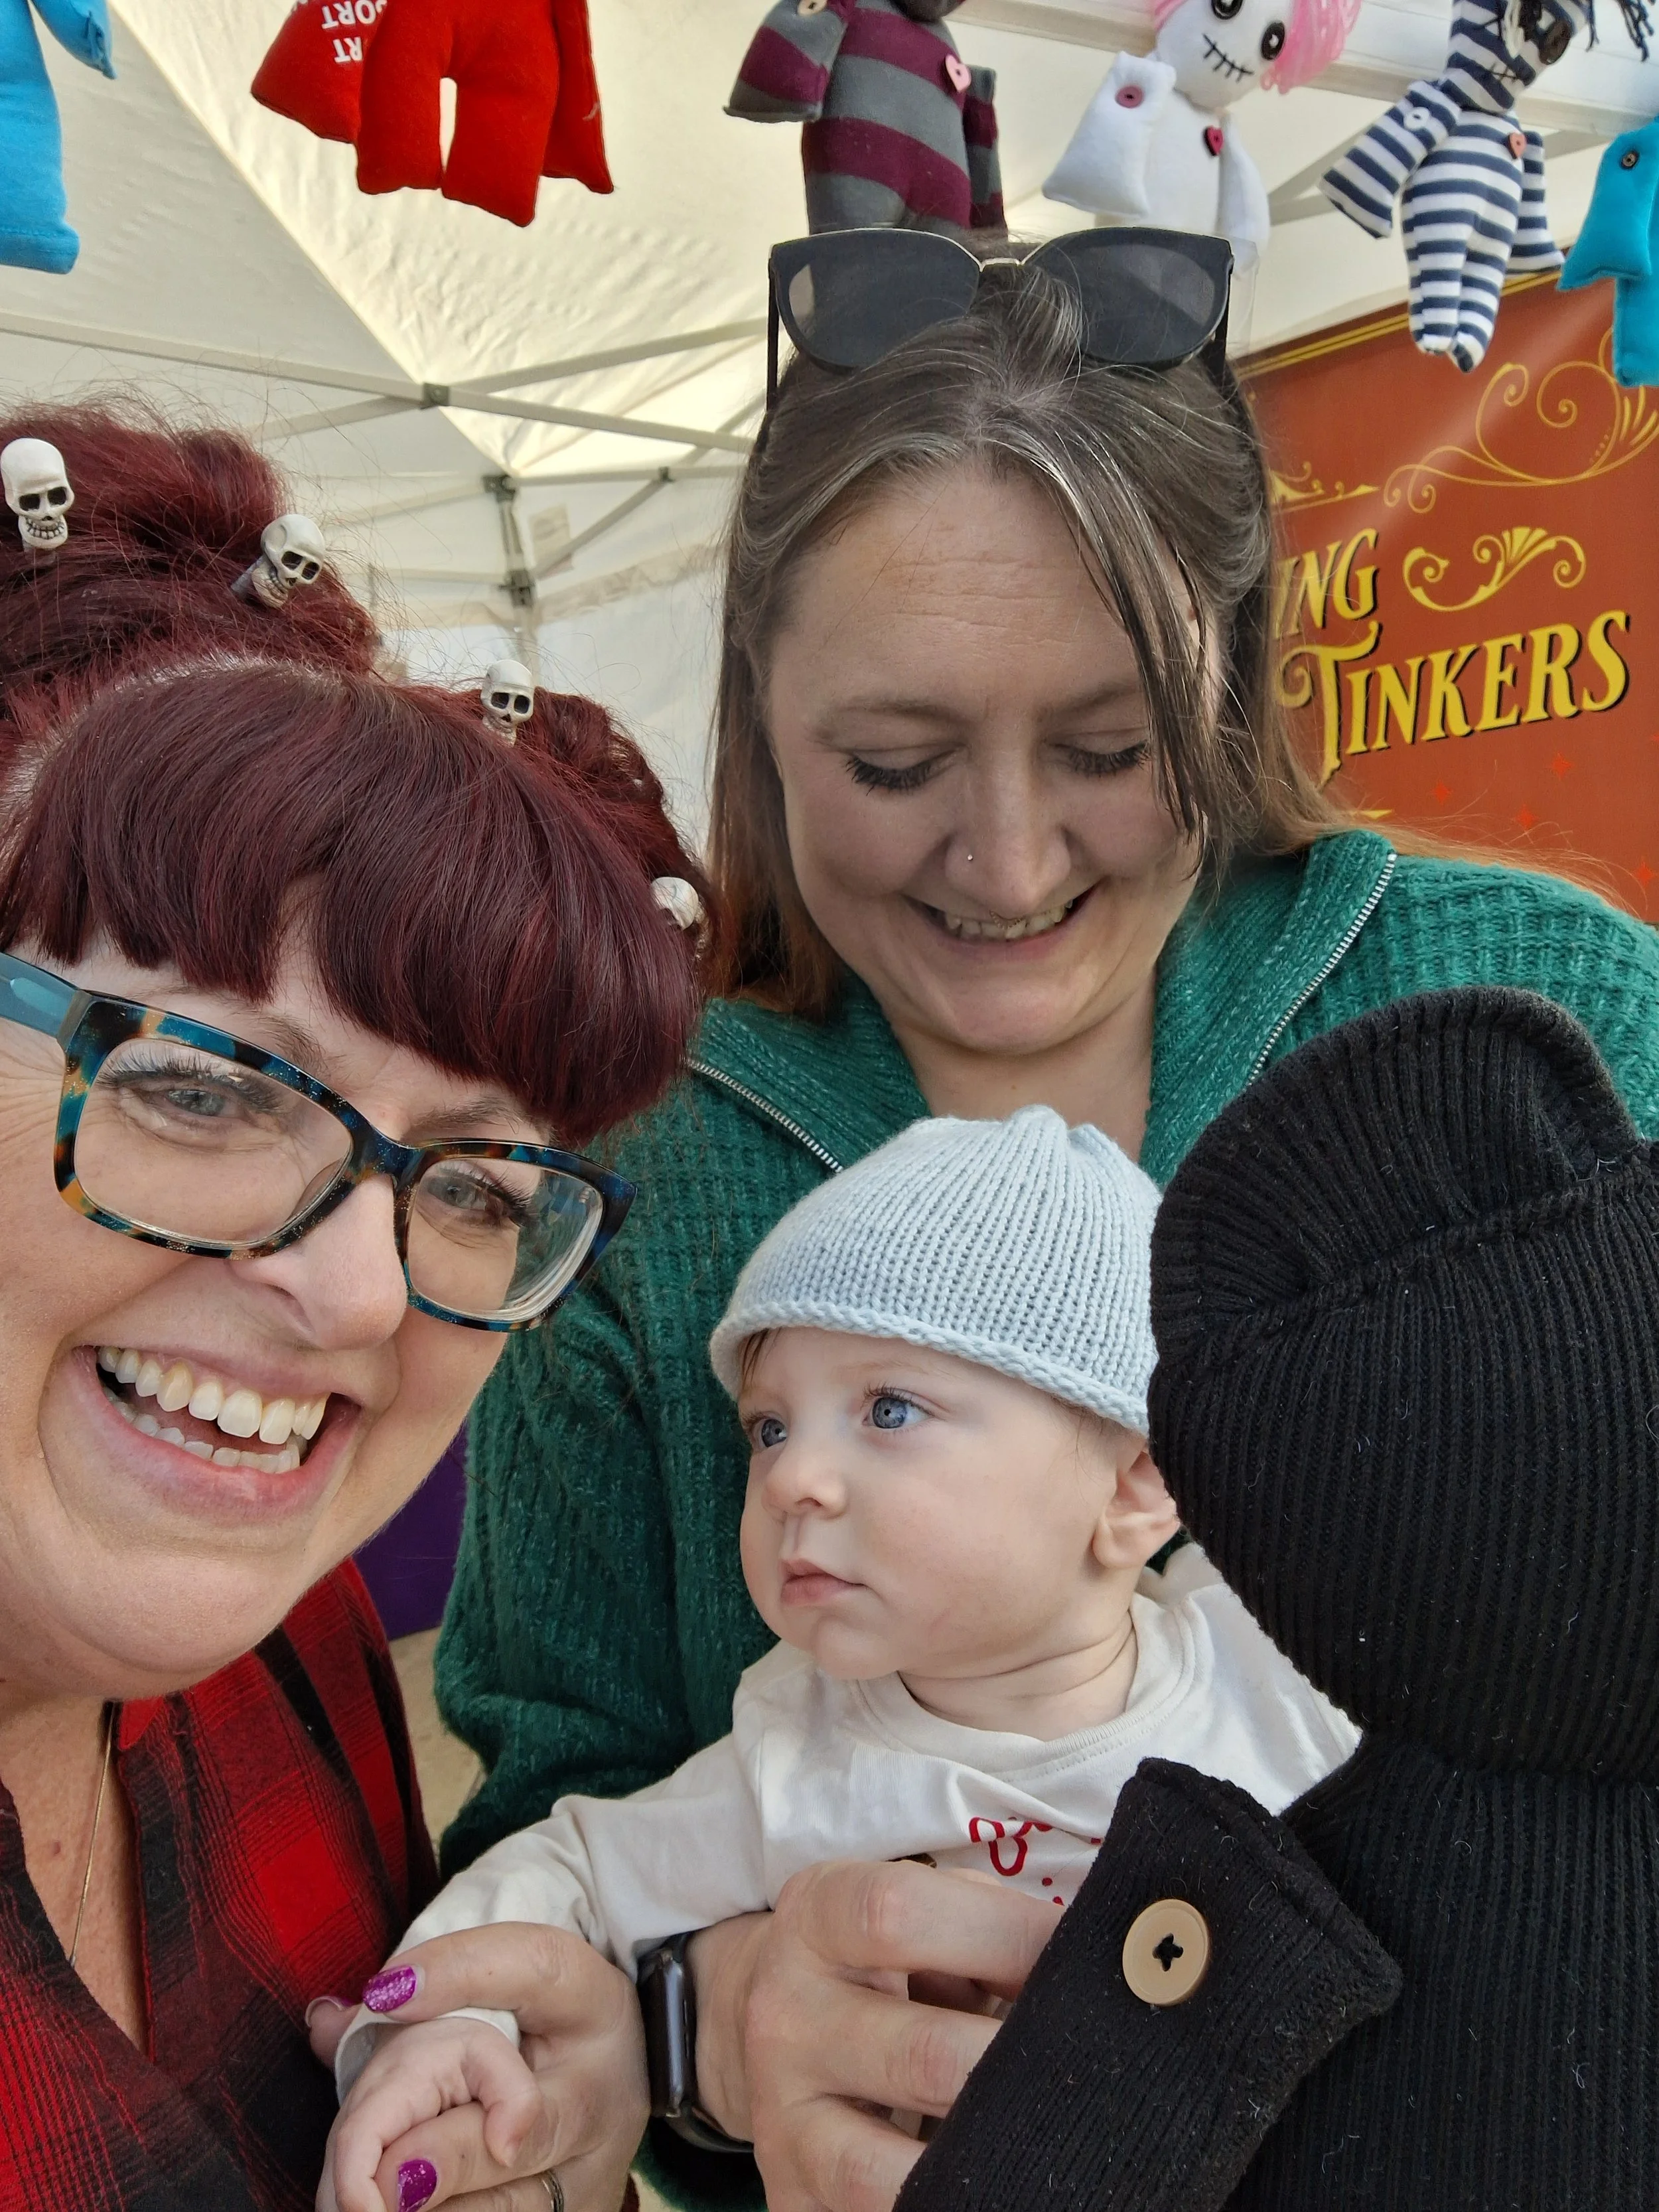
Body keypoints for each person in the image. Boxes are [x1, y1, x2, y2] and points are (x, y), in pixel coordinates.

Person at [433, 234, 1659, 2212]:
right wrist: (709, 2028)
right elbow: (546, 1833)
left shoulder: (1546, 1020)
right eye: (893, 763)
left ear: (1236, 668)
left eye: (1107, 749)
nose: (1005, 862)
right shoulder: (627, 1181)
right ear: (752, 704)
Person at [0, 404, 709, 2212]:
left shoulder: (282, 1647)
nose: (355, 1292)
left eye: (472, 1185)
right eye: (205, 1086)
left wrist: (568, 2079)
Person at [319, 1106, 1356, 2212]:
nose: (790, 1480)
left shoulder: (1277, 1678)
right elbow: (567, 1873)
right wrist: (449, 2027)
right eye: (768, 1428)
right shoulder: (800, 1756)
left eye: (891, 1409)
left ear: (1137, 1486)